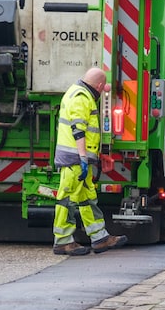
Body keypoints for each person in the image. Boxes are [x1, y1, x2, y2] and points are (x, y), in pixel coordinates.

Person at [51, 67, 128, 255]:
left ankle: (99, 237)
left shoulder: (76, 92)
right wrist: (84, 157)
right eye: (102, 89)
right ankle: (62, 241)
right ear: (100, 85)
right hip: (74, 160)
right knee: (66, 200)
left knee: (87, 199)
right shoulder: (81, 97)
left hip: (78, 160)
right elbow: (78, 130)